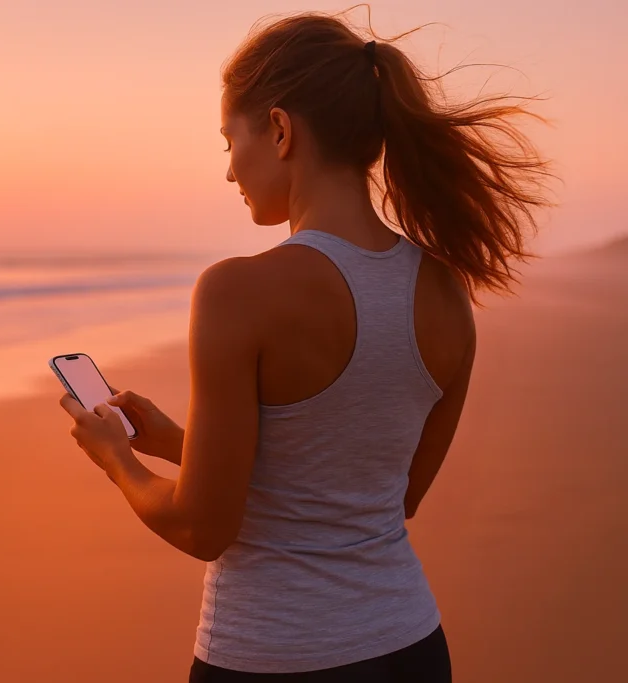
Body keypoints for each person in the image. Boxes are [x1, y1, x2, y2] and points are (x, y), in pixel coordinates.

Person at [58, 11, 552, 683]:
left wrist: (116, 458)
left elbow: (202, 527)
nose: (230, 169)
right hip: (410, 646)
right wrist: (180, 441)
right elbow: (381, 489)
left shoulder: (239, 290)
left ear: (281, 130)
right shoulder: (445, 291)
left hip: (275, 656)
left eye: (229, 139)